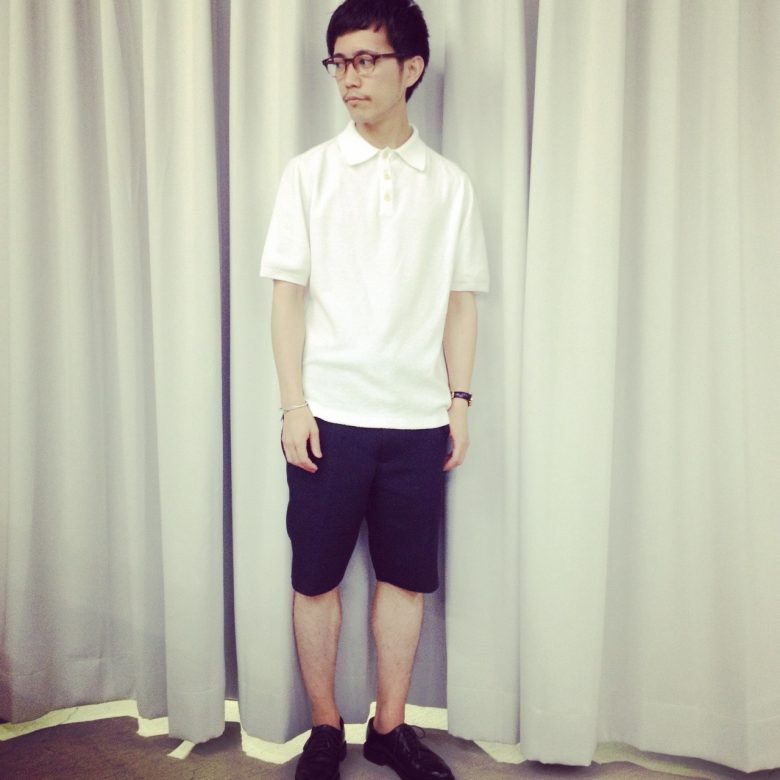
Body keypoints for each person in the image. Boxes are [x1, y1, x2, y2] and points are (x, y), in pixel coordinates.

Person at [260, 1, 489, 777]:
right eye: (339, 62)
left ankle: (390, 727)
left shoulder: (449, 185)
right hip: (328, 417)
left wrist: (460, 401)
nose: (349, 78)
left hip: (417, 421)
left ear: (410, 67)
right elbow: (286, 297)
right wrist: (294, 404)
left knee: (405, 579)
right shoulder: (309, 174)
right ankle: (325, 727)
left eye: (366, 60)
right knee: (315, 578)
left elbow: (461, 302)